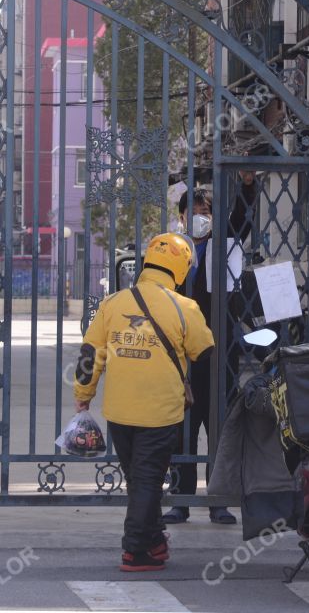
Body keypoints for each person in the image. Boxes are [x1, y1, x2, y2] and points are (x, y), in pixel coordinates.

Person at [73, 233, 214, 572]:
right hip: (160, 412)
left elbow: (90, 355)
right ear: (180, 269)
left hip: (119, 411)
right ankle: (134, 550)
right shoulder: (185, 308)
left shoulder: (112, 303)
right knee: (148, 479)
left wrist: (83, 396)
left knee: (139, 480)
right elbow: (205, 351)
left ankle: (153, 540)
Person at [163, 170, 256, 525]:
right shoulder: (173, 251)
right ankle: (181, 499)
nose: (200, 216)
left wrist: (247, 186)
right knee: (183, 428)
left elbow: (241, 216)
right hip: (182, 352)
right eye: (195, 210)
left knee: (218, 426)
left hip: (220, 350)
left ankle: (218, 499)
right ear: (183, 216)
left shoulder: (225, 242)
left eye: (206, 210)